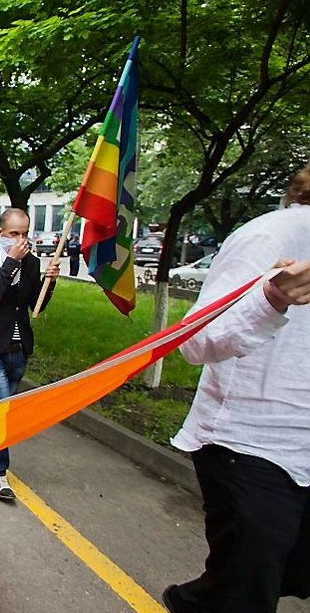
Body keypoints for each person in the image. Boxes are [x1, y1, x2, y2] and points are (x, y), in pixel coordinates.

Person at [161, 165, 310, 613]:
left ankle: (195, 601)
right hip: (250, 447)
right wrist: (272, 299)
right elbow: (195, 340)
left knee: (289, 572)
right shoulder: (269, 238)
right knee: (248, 592)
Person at [0, 208, 59, 501]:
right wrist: (11, 262)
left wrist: (50, 282)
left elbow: (36, 305)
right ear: (0, 233)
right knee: (4, 409)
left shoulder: (32, 263)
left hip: (19, 349)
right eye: (14, 234)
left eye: (25, 234)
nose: (21, 240)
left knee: (2, 410)